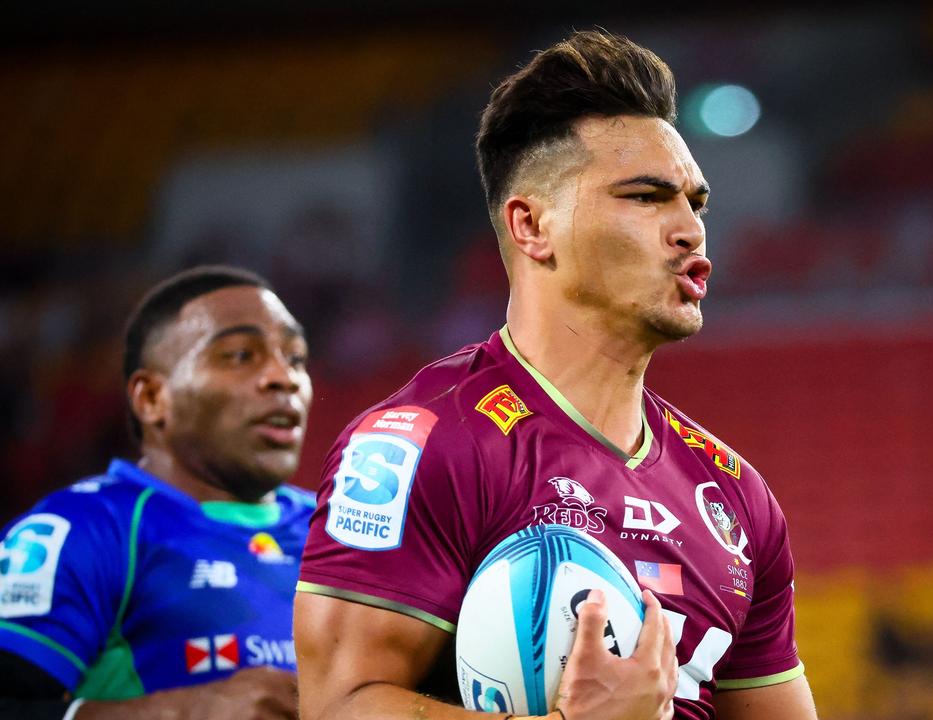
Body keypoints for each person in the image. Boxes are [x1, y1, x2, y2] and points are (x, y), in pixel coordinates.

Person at [294, 30, 817, 720]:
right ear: (531, 225)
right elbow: (339, 707)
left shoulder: (736, 499)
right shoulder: (422, 445)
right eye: (646, 197)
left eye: (695, 202)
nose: (690, 228)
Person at [0, 266, 314, 720]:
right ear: (151, 398)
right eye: (242, 354)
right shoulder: (84, 531)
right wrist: (179, 713)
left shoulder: (342, 534)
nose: (283, 378)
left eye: (297, 358)